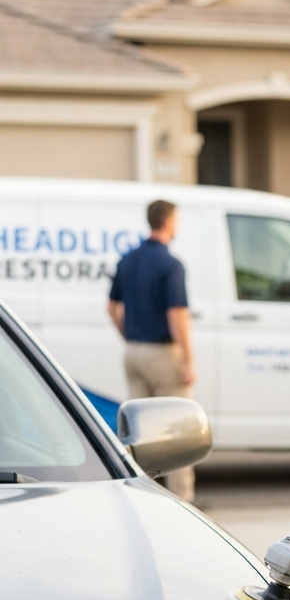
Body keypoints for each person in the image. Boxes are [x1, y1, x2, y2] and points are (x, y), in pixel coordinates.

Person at [108, 199, 196, 502]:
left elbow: (111, 307)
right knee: (177, 431)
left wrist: (128, 336)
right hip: (161, 354)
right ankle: (182, 500)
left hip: (133, 353)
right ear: (169, 221)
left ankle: (142, 498)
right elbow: (177, 316)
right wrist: (188, 360)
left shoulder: (128, 259)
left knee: (139, 434)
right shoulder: (171, 264)